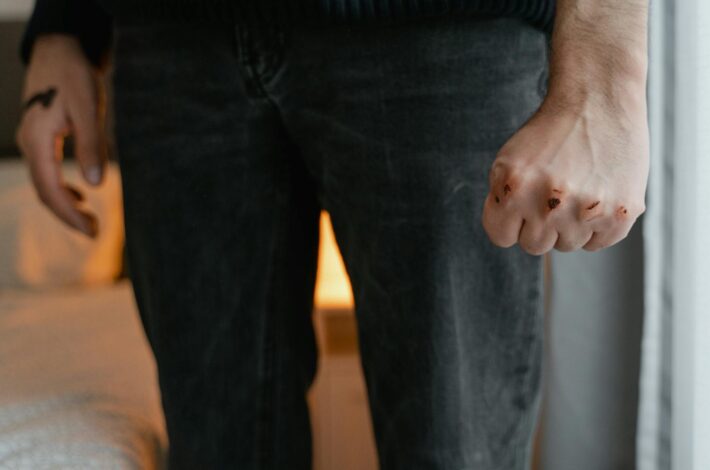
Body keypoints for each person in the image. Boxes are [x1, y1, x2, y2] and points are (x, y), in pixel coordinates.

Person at [16, 0, 649, 468]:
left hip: (441, 32)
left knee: (456, 450)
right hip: (173, 38)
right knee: (216, 450)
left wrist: (606, 79)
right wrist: (63, 23)